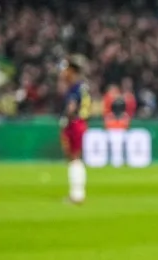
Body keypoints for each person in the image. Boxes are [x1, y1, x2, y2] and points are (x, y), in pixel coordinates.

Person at [59, 56, 91, 204]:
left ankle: (77, 194)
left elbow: (72, 107)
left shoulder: (75, 88)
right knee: (75, 158)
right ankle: (77, 193)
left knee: (74, 158)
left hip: (75, 123)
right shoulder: (82, 86)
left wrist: (66, 119)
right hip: (81, 123)